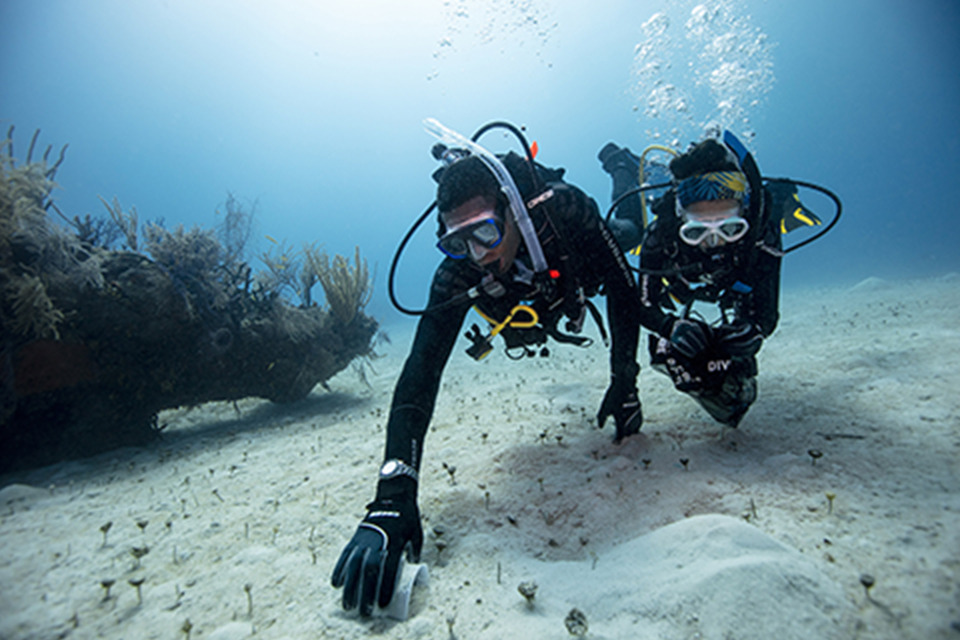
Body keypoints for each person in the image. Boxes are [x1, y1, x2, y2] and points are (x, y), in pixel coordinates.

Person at [331, 126, 643, 617]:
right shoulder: (459, 272)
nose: (478, 253)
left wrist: (625, 380)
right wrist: (393, 497)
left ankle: (625, 168)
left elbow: (626, 293)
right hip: (526, 307)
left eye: (484, 231)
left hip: (578, 267)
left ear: (512, 211)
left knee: (631, 233)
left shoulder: (562, 210)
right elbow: (420, 371)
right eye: (458, 241)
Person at [601, 132, 781, 428]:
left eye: (729, 228)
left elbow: (767, 312)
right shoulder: (661, 235)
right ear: (680, 217)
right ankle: (624, 166)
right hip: (680, 281)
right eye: (697, 231)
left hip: (728, 281)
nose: (714, 242)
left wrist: (754, 329)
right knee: (630, 231)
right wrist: (668, 327)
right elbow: (640, 305)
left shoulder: (760, 232)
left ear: (745, 213)